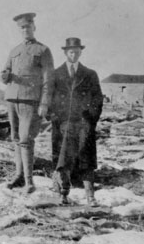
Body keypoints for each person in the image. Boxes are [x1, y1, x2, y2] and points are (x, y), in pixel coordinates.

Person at [1, 13, 54, 194]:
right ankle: (18, 176)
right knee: (16, 138)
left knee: (26, 139)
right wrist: (4, 75)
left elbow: (48, 79)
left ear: (34, 28)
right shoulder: (14, 50)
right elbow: (6, 72)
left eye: (28, 27)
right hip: (12, 99)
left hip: (31, 100)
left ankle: (29, 182)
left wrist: (45, 103)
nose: (25, 30)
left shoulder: (43, 50)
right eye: (22, 28)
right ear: (19, 30)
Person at [49, 37, 103, 205]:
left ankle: (90, 197)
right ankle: (63, 194)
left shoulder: (90, 74)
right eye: (71, 51)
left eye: (77, 51)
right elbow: (48, 97)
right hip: (63, 123)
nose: (74, 54)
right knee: (63, 159)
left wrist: (91, 119)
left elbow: (97, 99)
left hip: (83, 122)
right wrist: (53, 117)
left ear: (81, 52)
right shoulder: (56, 74)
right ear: (66, 53)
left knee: (86, 159)